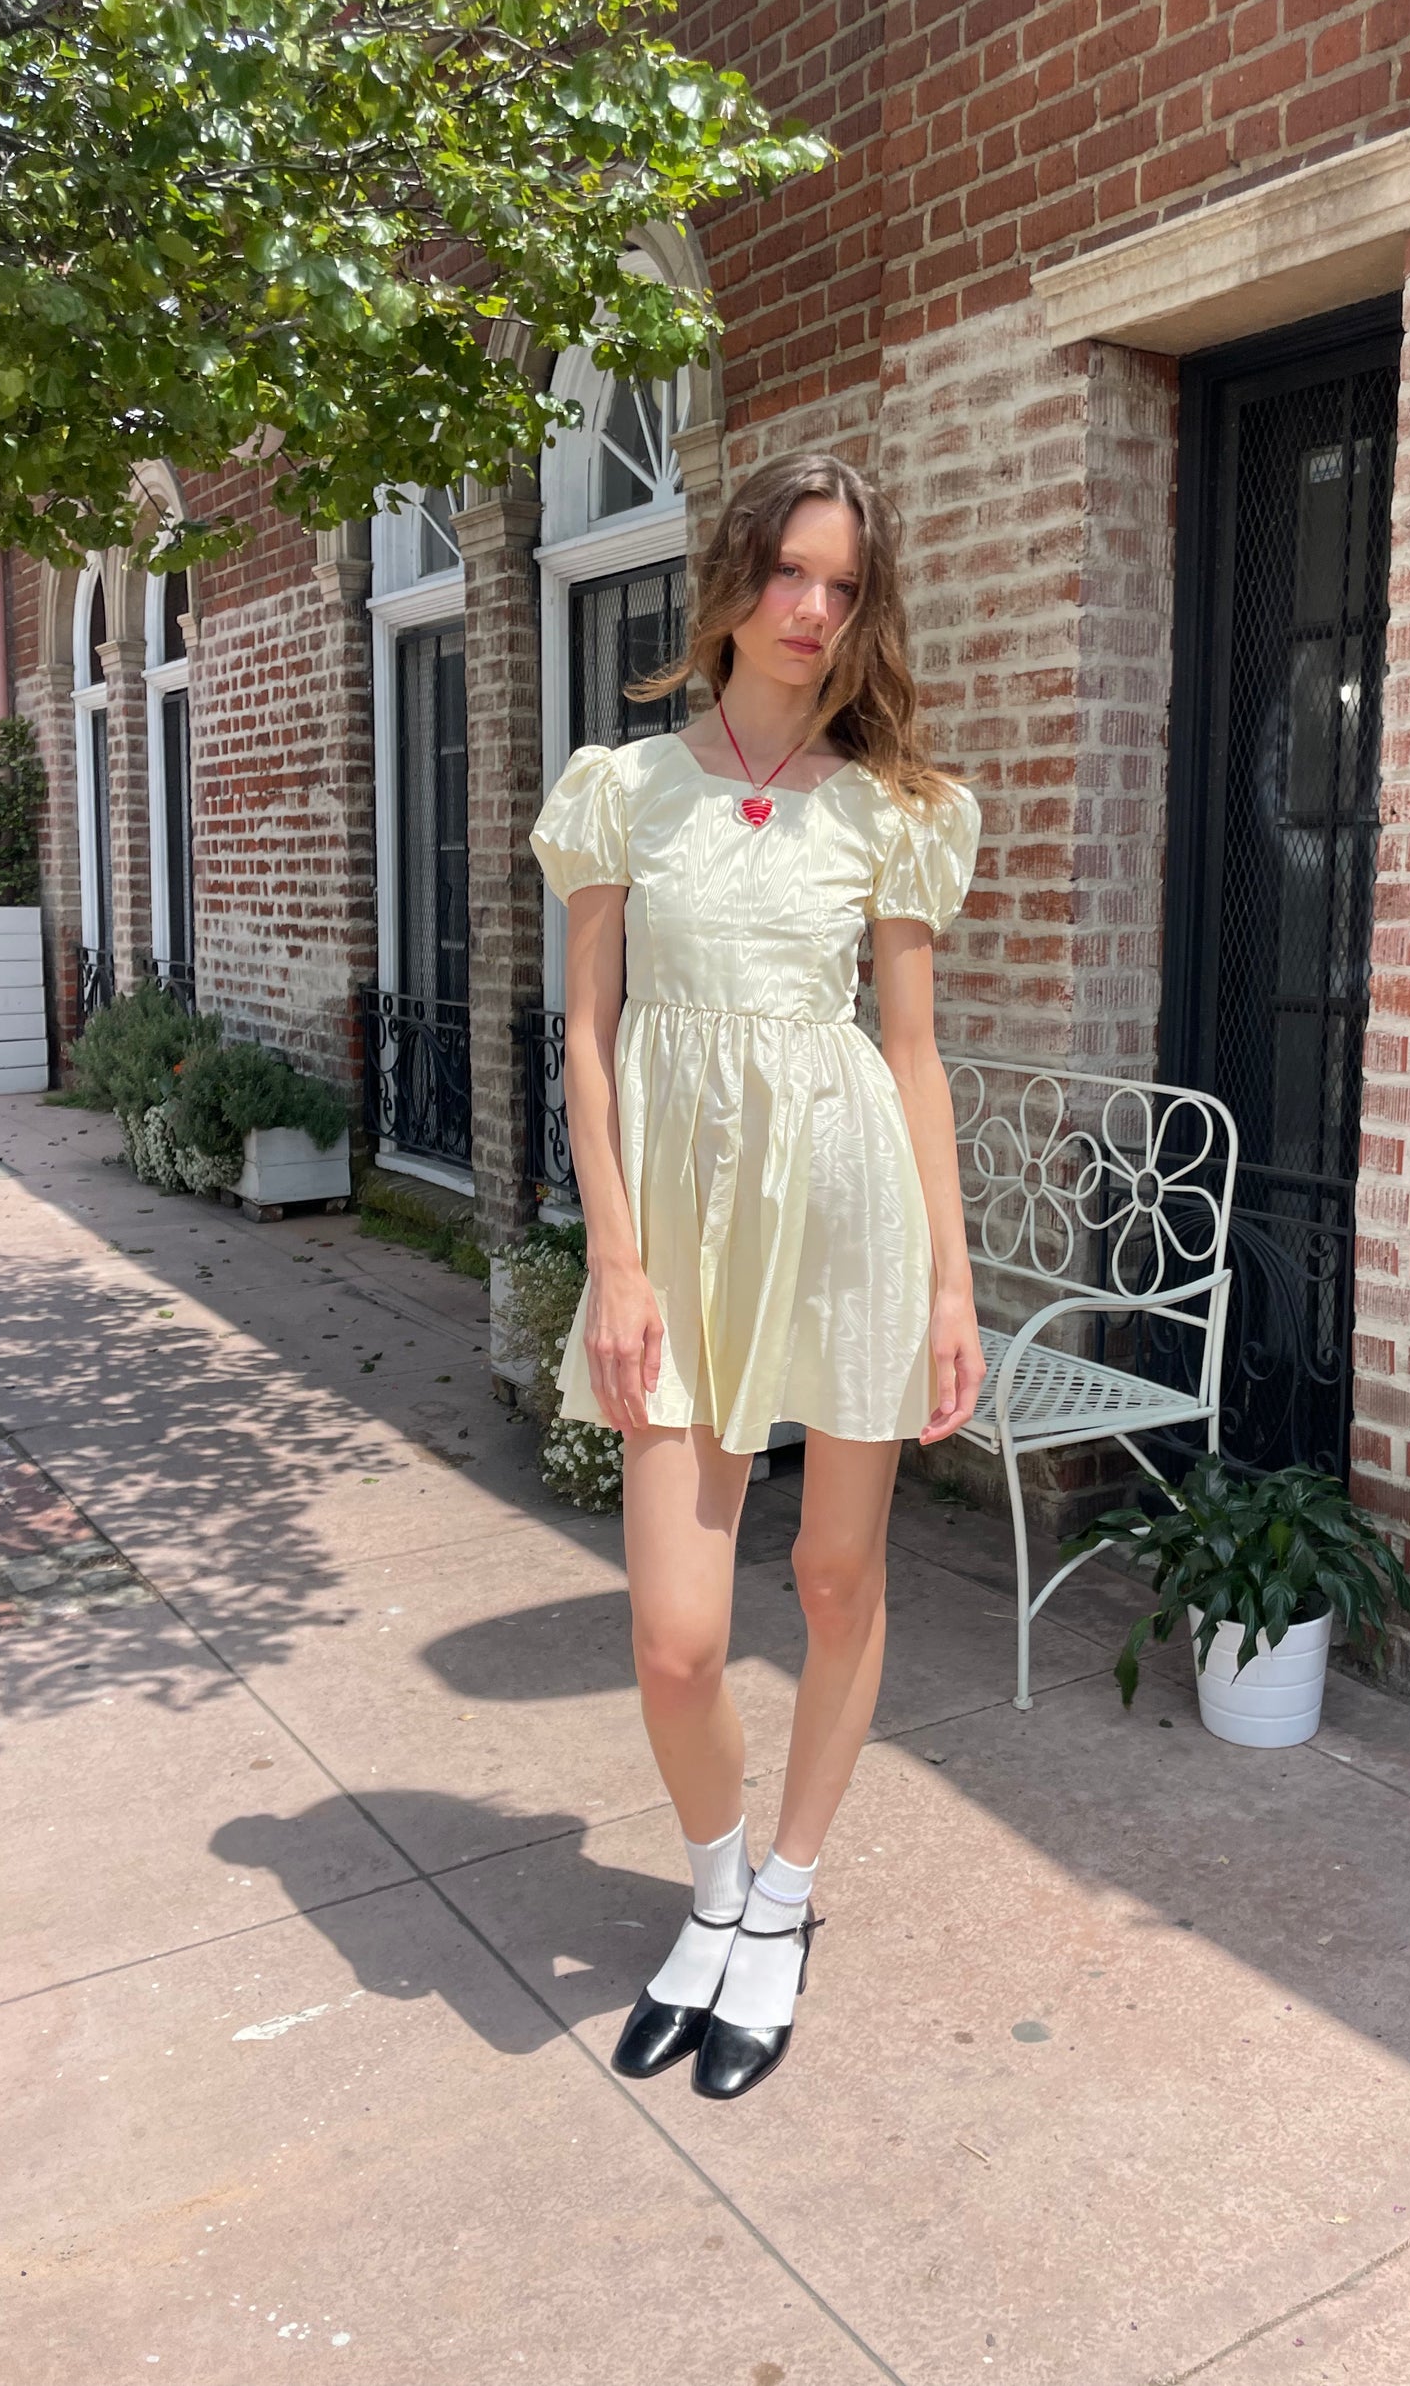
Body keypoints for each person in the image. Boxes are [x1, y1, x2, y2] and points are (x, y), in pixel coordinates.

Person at [528, 450, 984, 2100]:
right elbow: (584, 1039)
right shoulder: (621, 788)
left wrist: (949, 1286)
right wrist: (614, 1259)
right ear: (732, 580)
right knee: (675, 1640)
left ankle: (784, 1900)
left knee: (839, 1584)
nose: (811, 610)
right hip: (681, 1241)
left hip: (848, 1211)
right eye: (789, 572)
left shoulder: (892, 808)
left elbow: (914, 1058)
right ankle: (713, 1894)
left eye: (843, 584)